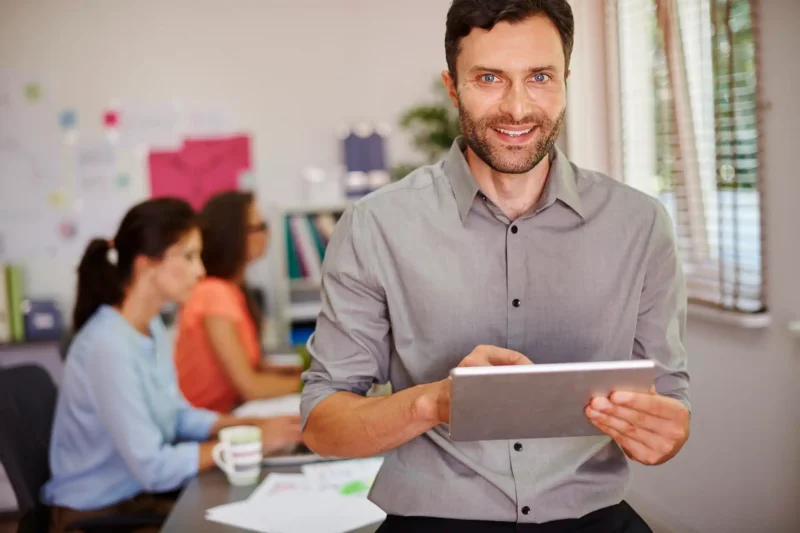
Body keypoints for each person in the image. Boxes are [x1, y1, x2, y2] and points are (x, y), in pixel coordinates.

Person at [300, 1, 691, 532]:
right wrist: (434, 402)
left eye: (539, 77)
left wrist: (664, 433)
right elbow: (324, 428)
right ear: (452, 85)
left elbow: (666, 404)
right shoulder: (375, 226)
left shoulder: (640, 225)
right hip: (433, 520)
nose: (516, 107)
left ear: (565, 80)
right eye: (489, 78)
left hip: (594, 518)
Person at [43, 198, 302, 533]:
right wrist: (249, 442)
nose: (201, 270)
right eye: (189, 256)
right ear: (146, 265)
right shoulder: (106, 346)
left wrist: (252, 424)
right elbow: (154, 467)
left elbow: (177, 415)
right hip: (96, 516)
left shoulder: (150, 327)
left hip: (136, 500)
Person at [174, 191, 302, 413]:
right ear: (233, 235)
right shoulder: (214, 293)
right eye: (258, 227)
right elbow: (251, 387)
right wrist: (316, 385)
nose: (266, 234)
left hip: (226, 414)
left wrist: (299, 372)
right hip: (207, 423)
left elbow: (250, 367)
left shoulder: (232, 291)